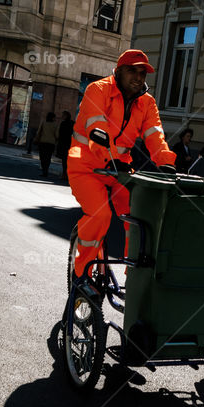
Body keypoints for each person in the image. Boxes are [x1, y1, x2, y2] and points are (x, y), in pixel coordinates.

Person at [67, 49, 176, 292]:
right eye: (132, 71)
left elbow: (155, 135)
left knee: (139, 218)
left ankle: (134, 276)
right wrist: (107, 155)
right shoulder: (98, 90)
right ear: (118, 71)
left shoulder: (147, 103)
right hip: (85, 164)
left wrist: (166, 162)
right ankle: (81, 275)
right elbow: (96, 125)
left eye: (142, 73)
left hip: (120, 169)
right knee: (100, 215)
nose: (138, 77)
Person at [34, 111, 58, 177]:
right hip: (51, 143)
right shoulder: (56, 125)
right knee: (48, 157)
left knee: (42, 157)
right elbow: (57, 135)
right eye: (54, 117)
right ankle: (46, 171)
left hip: (43, 142)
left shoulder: (43, 123)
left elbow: (39, 132)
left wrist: (36, 139)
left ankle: (44, 170)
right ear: (53, 118)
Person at [56, 110, 73, 177]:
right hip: (70, 144)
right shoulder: (72, 123)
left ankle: (65, 174)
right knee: (68, 160)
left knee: (64, 160)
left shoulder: (63, 123)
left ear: (66, 116)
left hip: (64, 144)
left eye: (63, 115)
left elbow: (61, 134)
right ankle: (66, 174)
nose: (62, 116)